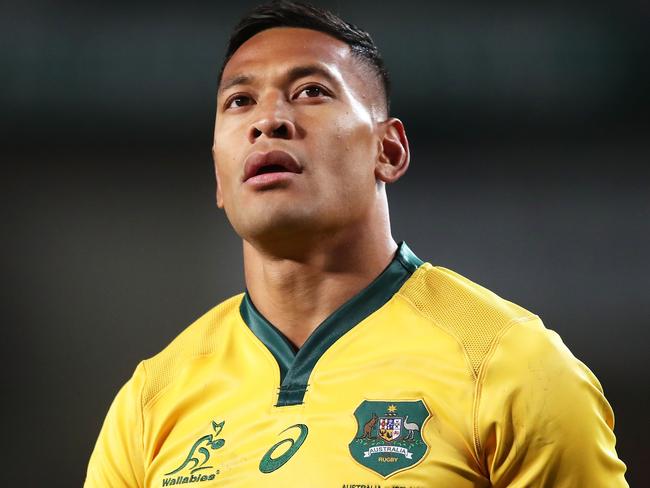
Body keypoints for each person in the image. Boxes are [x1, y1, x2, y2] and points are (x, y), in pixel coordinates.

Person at [85, 1, 628, 486]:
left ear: (388, 150)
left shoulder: (511, 366)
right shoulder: (149, 403)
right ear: (220, 179)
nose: (268, 120)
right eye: (240, 101)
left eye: (311, 92)